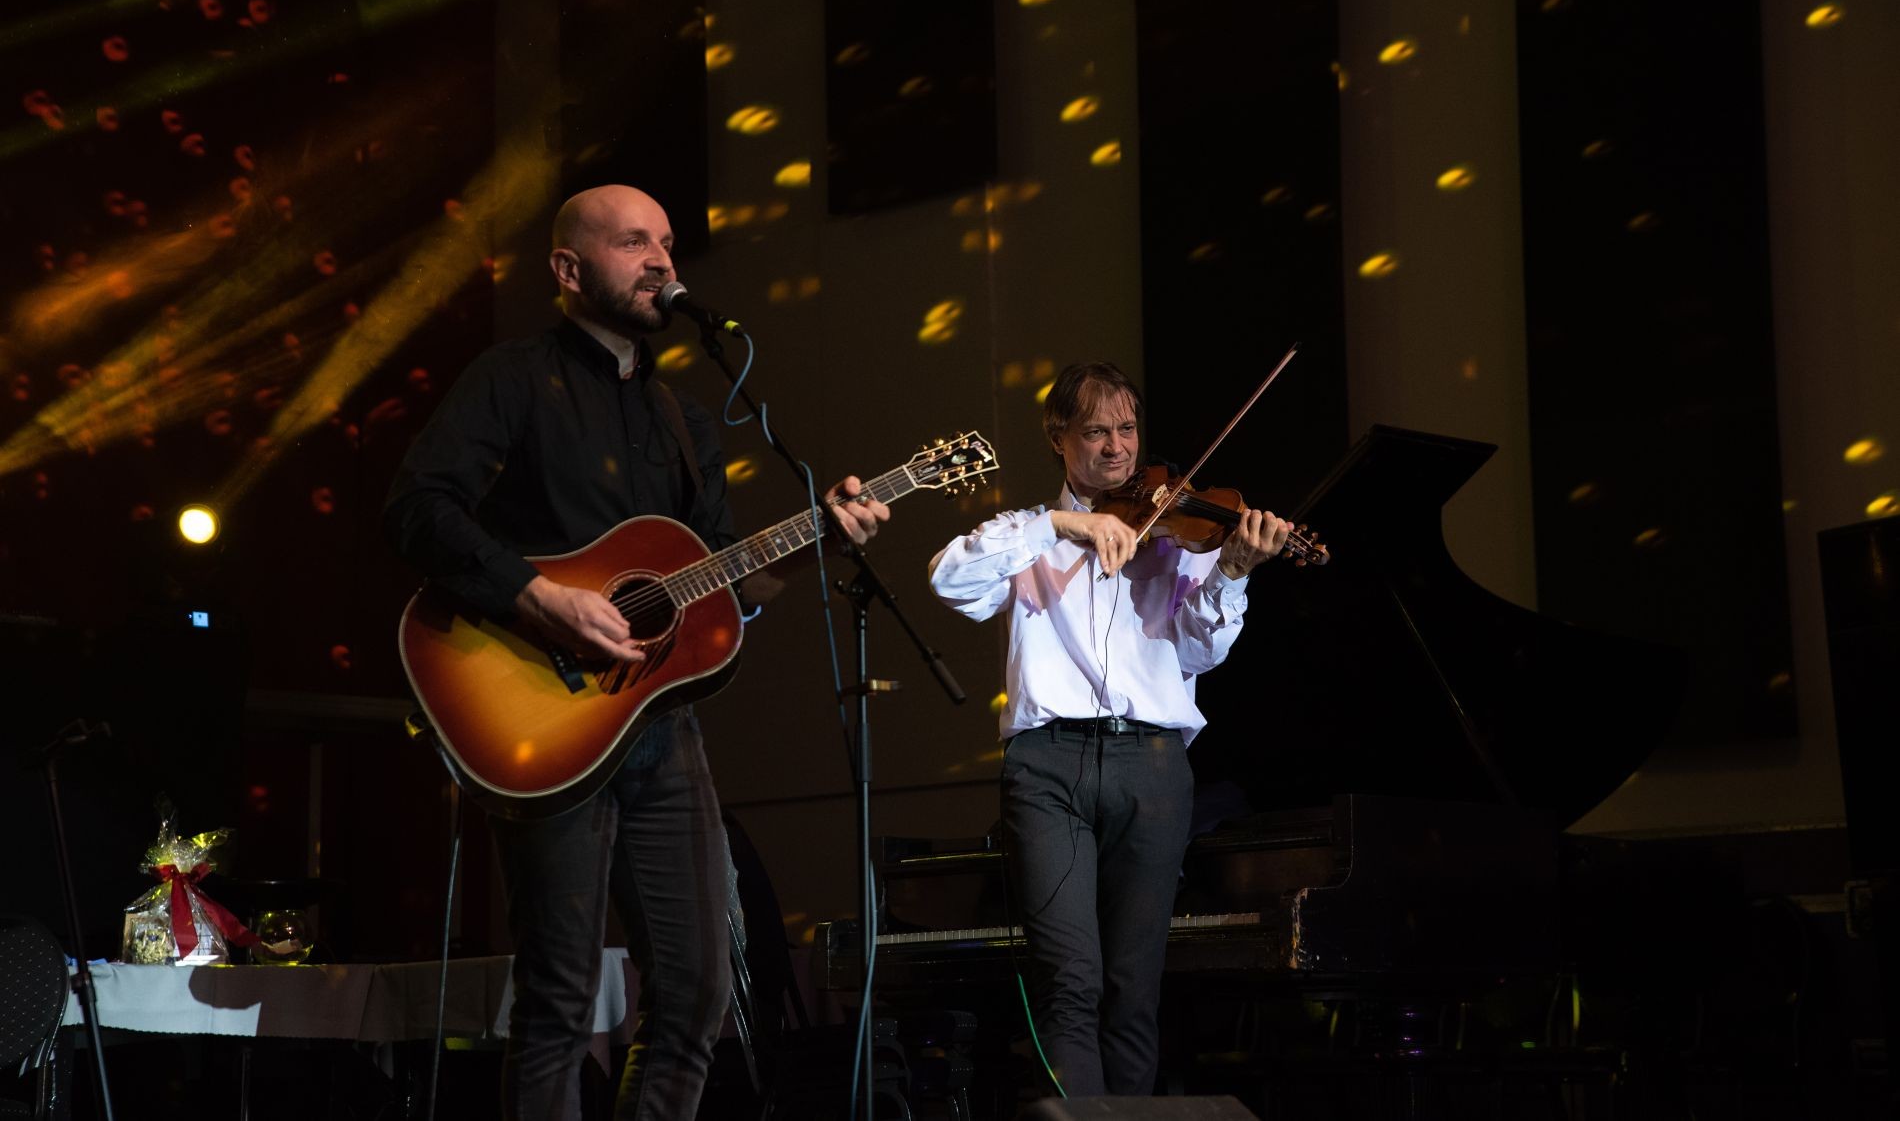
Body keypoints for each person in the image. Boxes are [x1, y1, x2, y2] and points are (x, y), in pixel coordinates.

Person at [384, 184, 889, 1120]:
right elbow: (417, 509)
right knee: (561, 997)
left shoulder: (684, 422)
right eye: (632, 243)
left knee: (698, 992)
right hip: (541, 717)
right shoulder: (510, 378)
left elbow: (726, 585)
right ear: (569, 270)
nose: (660, 260)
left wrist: (818, 540)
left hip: (660, 731)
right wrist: (538, 597)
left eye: (665, 243)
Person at [925, 361, 1288, 1098]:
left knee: (1135, 986)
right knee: (1069, 979)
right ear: (1058, 437)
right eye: (1096, 431)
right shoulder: (1028, 535)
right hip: (1047, 767)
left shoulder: (1180, 531)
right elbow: (948, 579)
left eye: (1127, 429)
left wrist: (1232, 574)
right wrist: (1062, 524)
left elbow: (1198, 652)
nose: (1118, 448)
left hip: (1151, 766)